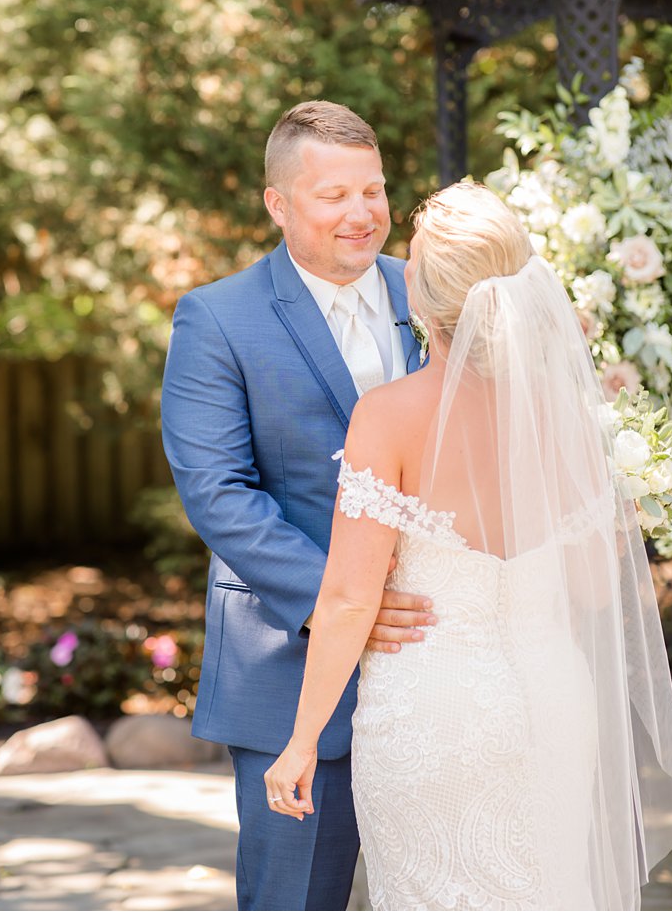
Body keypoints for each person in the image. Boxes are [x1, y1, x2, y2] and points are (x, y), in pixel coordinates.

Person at [262, 182, 672, 909]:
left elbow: (346, 598)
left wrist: (300, 742)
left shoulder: (387, 416)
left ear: (422, 305)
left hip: (434, 712)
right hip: (557, 699)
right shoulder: (571, 421)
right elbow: (590, 593)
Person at [161, 101, 432, 910]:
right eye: (334, 195)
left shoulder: (427, 294)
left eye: (374, 191)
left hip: (436, 659)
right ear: (278, 203)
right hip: (291, 665)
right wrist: (344, 602)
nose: (362, 214)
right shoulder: (217, 317)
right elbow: (218, 493)